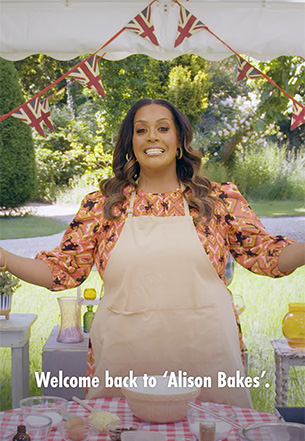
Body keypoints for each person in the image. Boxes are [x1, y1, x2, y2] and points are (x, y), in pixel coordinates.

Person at [1, 98, 304, 407]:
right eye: (141, 130)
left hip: (208, 354)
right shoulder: (104, 205)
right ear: (130, 144)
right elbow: (61, 271)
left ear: (180, 141)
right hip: (124, 355)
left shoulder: (217, 200)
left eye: (163, 128)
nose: (153, 137)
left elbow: (270, 256)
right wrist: (5, 258)